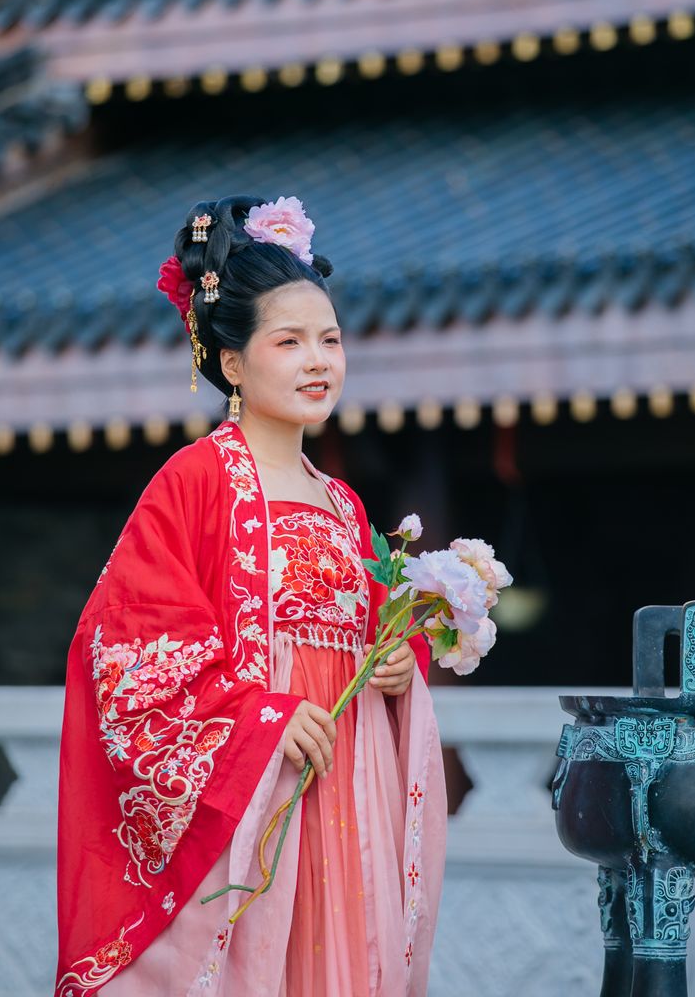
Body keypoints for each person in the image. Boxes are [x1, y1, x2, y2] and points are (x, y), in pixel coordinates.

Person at [56, 196, 446, 997]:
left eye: (330, 340)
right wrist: (259, 718)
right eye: (289, 341)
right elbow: (128, 649)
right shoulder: (194, 481)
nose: (318, 361)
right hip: (261, 775)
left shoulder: (343, 502)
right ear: (232, 363)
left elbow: (373, 629)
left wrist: (401, 664)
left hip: (346, 773)